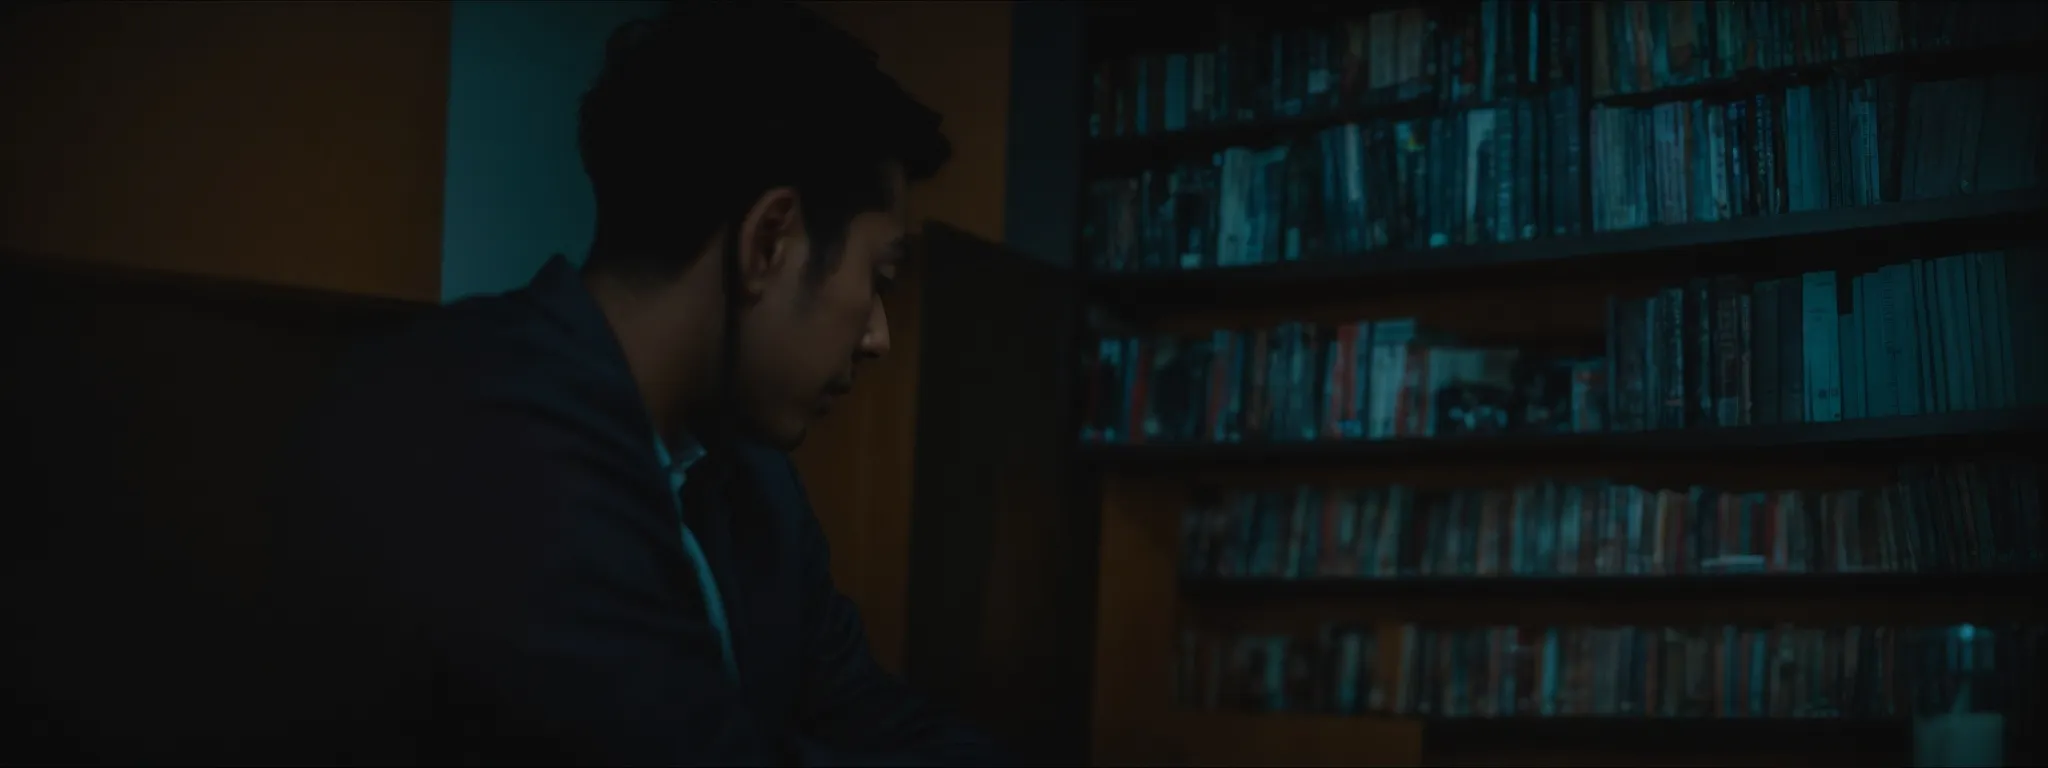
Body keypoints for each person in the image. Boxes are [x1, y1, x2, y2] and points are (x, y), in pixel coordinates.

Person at [265, 2, 1008, 764]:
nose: (878, 336)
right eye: (879, 276)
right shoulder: (484, 438)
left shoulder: (755, 484)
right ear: (768, 242)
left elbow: (864, 711)